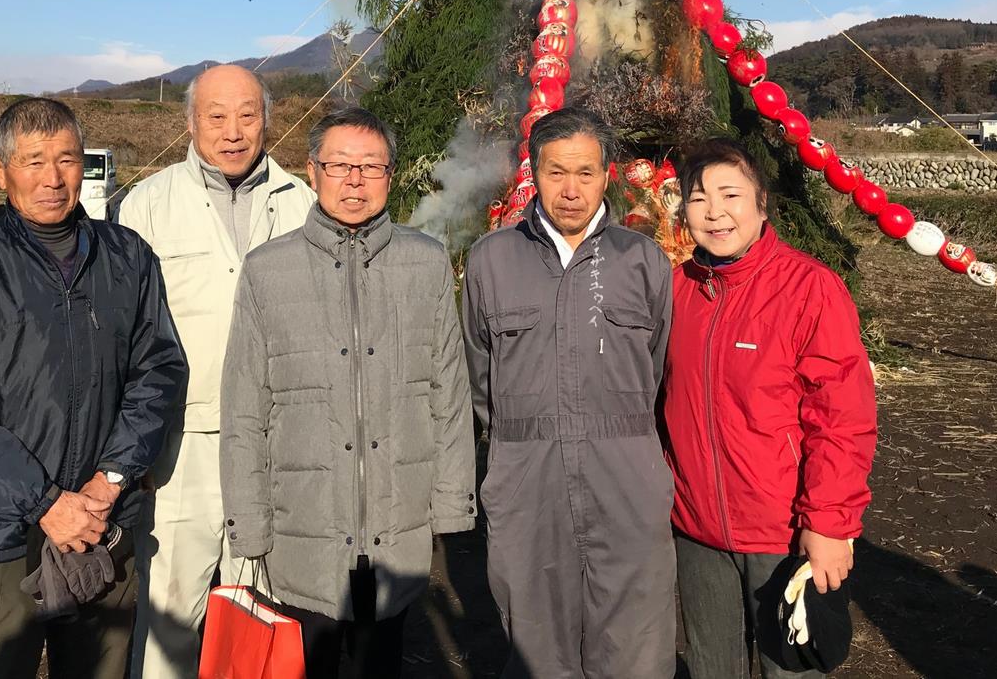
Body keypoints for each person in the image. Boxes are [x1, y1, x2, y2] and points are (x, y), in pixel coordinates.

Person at [0, 97, 186, 679]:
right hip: (0, 537)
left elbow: (158, 370)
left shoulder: (128, 257)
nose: (52, 178)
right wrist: (45, 503)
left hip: (101, 524)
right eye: (33, 161)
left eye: (66, 160)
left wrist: (111, 479)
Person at [220, 107, 476, 679]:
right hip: (302, 523)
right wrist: (248, 520)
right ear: (312, 171)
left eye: (371, 166)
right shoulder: (268, 270)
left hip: (397, 520)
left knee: (380, 662)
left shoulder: (425, 262)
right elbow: (244, 409)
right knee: (305, 663)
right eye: (340, 165)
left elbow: (450, 395)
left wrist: (451, 504)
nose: (354, 180)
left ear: (391, 174)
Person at [463, 107, 676, 679]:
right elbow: (480, 373)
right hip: (526, 471)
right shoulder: (491, 260)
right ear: (534, 171)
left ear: (608, 174)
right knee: (535, 639)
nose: (571, 190)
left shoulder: (644, 260)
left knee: (635, 639)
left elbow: (657, 371)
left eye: (585, 173)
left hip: (626, 468)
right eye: (557, 172)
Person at [119, 65, 316, 679]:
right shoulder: (147, 206)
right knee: (170, 612)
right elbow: (123, 339)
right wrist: (133, 452)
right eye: (216, 116)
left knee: (261, 611)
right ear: (191, 122)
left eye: (247, 115)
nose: (233, 132)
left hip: (278, 446)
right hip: (182, 447)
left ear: (269, 120)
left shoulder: (302, 204)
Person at [661, 138, 877, 679]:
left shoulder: (809, 289)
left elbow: (843, 421)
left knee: (790, 668)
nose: (715, 212)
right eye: (698, 198)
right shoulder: (677, 291)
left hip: (782, 533)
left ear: (762, 204)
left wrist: (828, 524)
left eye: (730, 194)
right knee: (714, 668)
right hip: (697, 531)